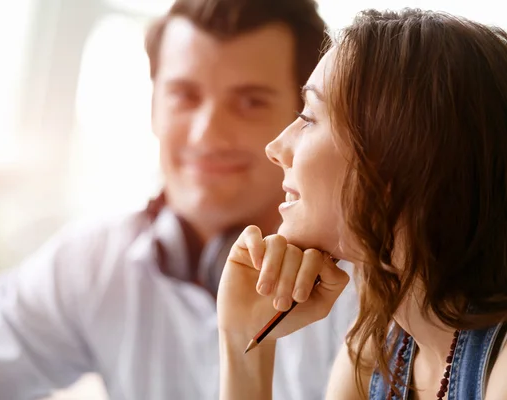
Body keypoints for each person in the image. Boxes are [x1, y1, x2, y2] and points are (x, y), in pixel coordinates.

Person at [0, 0, 358, 399]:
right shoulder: (94, 261)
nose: (207, 134)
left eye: (250, 102)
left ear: (302, 122)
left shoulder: (366, 288)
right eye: (183, 95)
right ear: (153, 106)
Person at [217, 7, 507, 400]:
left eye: (308, 117)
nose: (276, 148)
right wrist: (243, 343)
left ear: (402, 155)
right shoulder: (377, 350)